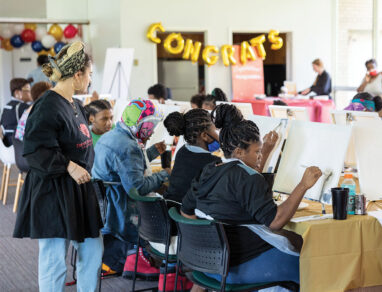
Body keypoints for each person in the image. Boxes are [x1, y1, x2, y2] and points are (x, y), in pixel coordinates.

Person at [181, 104, 322, 286]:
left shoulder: (209, 170)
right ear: (239, 152)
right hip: (239, 266)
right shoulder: (247, 178)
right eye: (257, 152)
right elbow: (276, 221)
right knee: (316, 263)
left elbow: (186, 212)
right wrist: (303, 185)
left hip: (208, 265)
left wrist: (207, 243)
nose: (259, 156)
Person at [13, 41, 103, 292]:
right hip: (52, 192)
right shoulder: (47, 106)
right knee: (54, 261)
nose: (90, 80)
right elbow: (35, 150)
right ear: (77, 75)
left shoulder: (74, 104)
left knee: (93, 252)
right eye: (90, 75)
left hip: (78, 191)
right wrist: (69, 166)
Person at [92, 99, 170, 279]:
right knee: (166, 204)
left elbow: (125, 167)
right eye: (149, 127)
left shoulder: (111, 135)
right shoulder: (128, 146)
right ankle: (140, 257)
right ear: (138, 124)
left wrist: (151, 153)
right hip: (122, 210)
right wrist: (164, 174)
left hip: (105, 205)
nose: (150, 132)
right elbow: (138, 188)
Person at [164, 105, 278, 204]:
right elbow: (249, 182)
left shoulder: (182, 152)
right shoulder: (212, 164)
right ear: (204, 136)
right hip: (192, 220)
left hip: (176, 217)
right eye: (216, 130)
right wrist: (265, 151)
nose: (219, 134)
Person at [0, 78, 32, 146]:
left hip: (7, 148)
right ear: (17, 93)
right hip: (19, 147)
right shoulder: (24, 107)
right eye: (28, 90)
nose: (31, 92)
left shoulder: (6, 107)